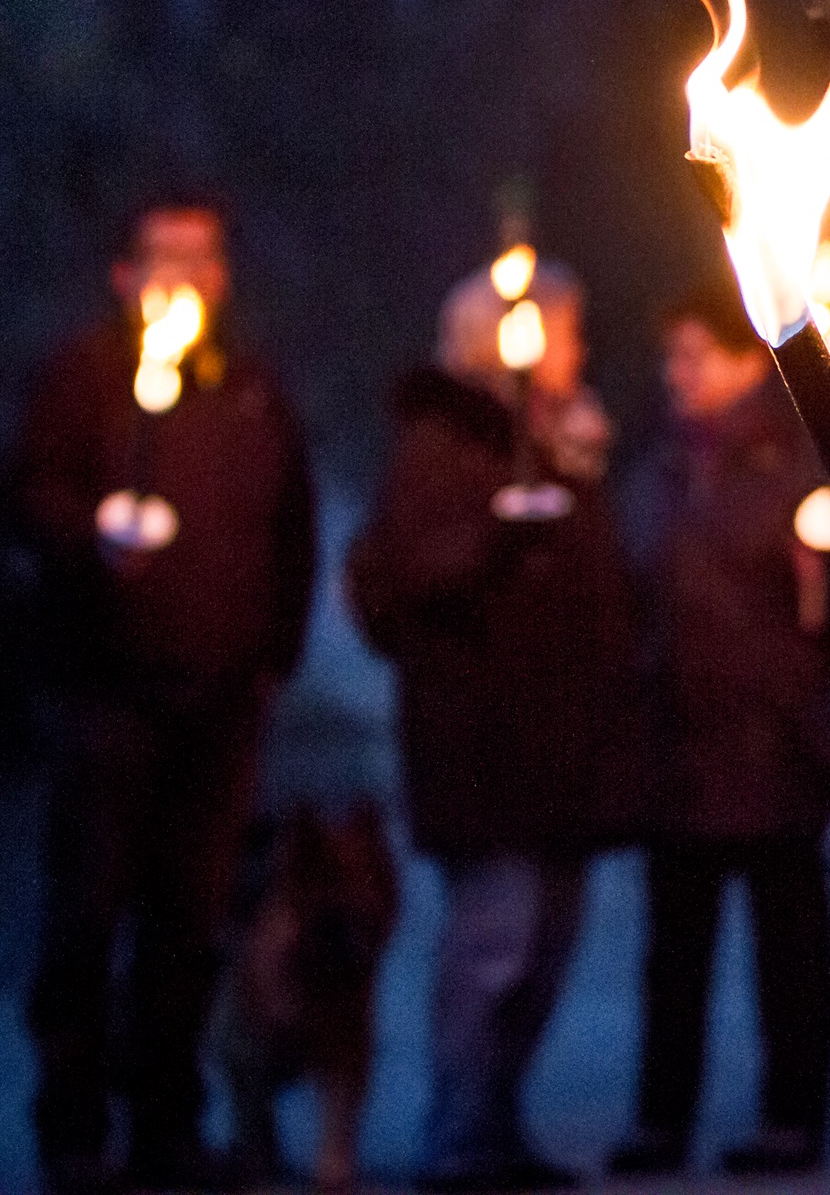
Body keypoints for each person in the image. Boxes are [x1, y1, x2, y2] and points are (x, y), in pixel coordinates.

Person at [10, 198, 315, 1194]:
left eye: (202, 256)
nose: (184, 274)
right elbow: (28, 493)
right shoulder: (83, 378)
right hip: (108, 694)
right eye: (164, 257)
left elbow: (291, 530)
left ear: (224, 275)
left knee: (190, 927)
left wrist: (271, 656)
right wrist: (93, 529)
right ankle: (74, 1131)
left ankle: (167, 1128)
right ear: (125, 273)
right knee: (89, 920)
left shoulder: (251, 390)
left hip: (221, 705)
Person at [346, 259, 631, 1193]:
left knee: (546, 947)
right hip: (483, 740)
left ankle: (497, 1125)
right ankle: (456, 1130)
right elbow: (408, 580)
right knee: (495, 943)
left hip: (563, 738)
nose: (578, 350)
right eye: (565, 330)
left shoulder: (564, 439)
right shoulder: (443, 442)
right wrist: (499, 532)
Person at [607, 281, 830, 1179]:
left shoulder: (798, 452)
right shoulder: (661, 463)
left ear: (746, 359)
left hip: (775, 739)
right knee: (672, 955)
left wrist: (823, 704)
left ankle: (793, 1117)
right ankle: (659, 1118)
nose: (674, 372)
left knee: (788, 943)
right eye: (670, 354)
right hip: (680, 741)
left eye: (693, 354)